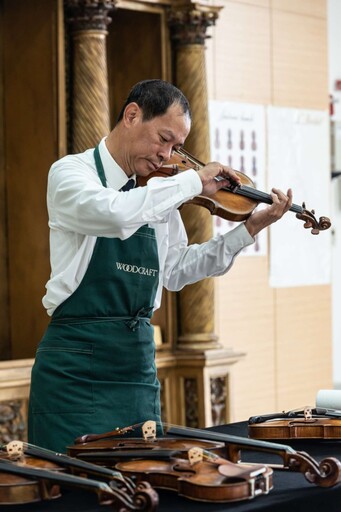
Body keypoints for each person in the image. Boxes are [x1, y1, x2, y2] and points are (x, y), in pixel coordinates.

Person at [28, 79, 293, 453]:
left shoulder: (157, 192)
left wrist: (249, 228)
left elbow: (177, 269)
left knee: (141, 488)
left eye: (177, 147)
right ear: (132, 115)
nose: (167, 155)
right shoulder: (71, 174)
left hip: (136, 366)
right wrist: (190, 183)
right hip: (74, 367)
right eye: (164, 139)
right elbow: (115, 214)